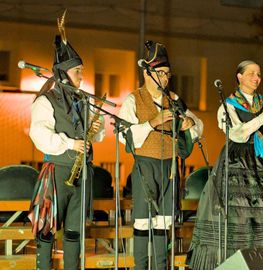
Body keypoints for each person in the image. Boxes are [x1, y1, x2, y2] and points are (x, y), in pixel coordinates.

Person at [189, 60, 263, 270]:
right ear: (239, 77)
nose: (256, 78)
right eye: (251, 73)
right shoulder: (228, 104)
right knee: (240, 213)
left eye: (259, 74)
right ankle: (236, 262)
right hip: (239, 162)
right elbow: (237, 134)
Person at [28, 11, 105, 270]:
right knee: (48, 228)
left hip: (81, 173)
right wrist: (70, 144)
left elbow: (98, 134)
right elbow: (39, 134)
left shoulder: (83, 100)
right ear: (63, 73)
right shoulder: (46, 100)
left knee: (74, 232)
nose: (82, 76)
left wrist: (97, 125)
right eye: (77, 71)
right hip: (58, 171)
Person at [118, 41, 204, 269]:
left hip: (169, 168)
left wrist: (188, 124)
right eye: (161, 73)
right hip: (145, 166)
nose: (166, 78)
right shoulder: (133, 99)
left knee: (163, 223)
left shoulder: (174, 100)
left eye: (168, 74)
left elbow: (199, 126)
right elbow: (123, 135)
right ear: (147, 73)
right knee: (144, 221)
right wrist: (152, 123)